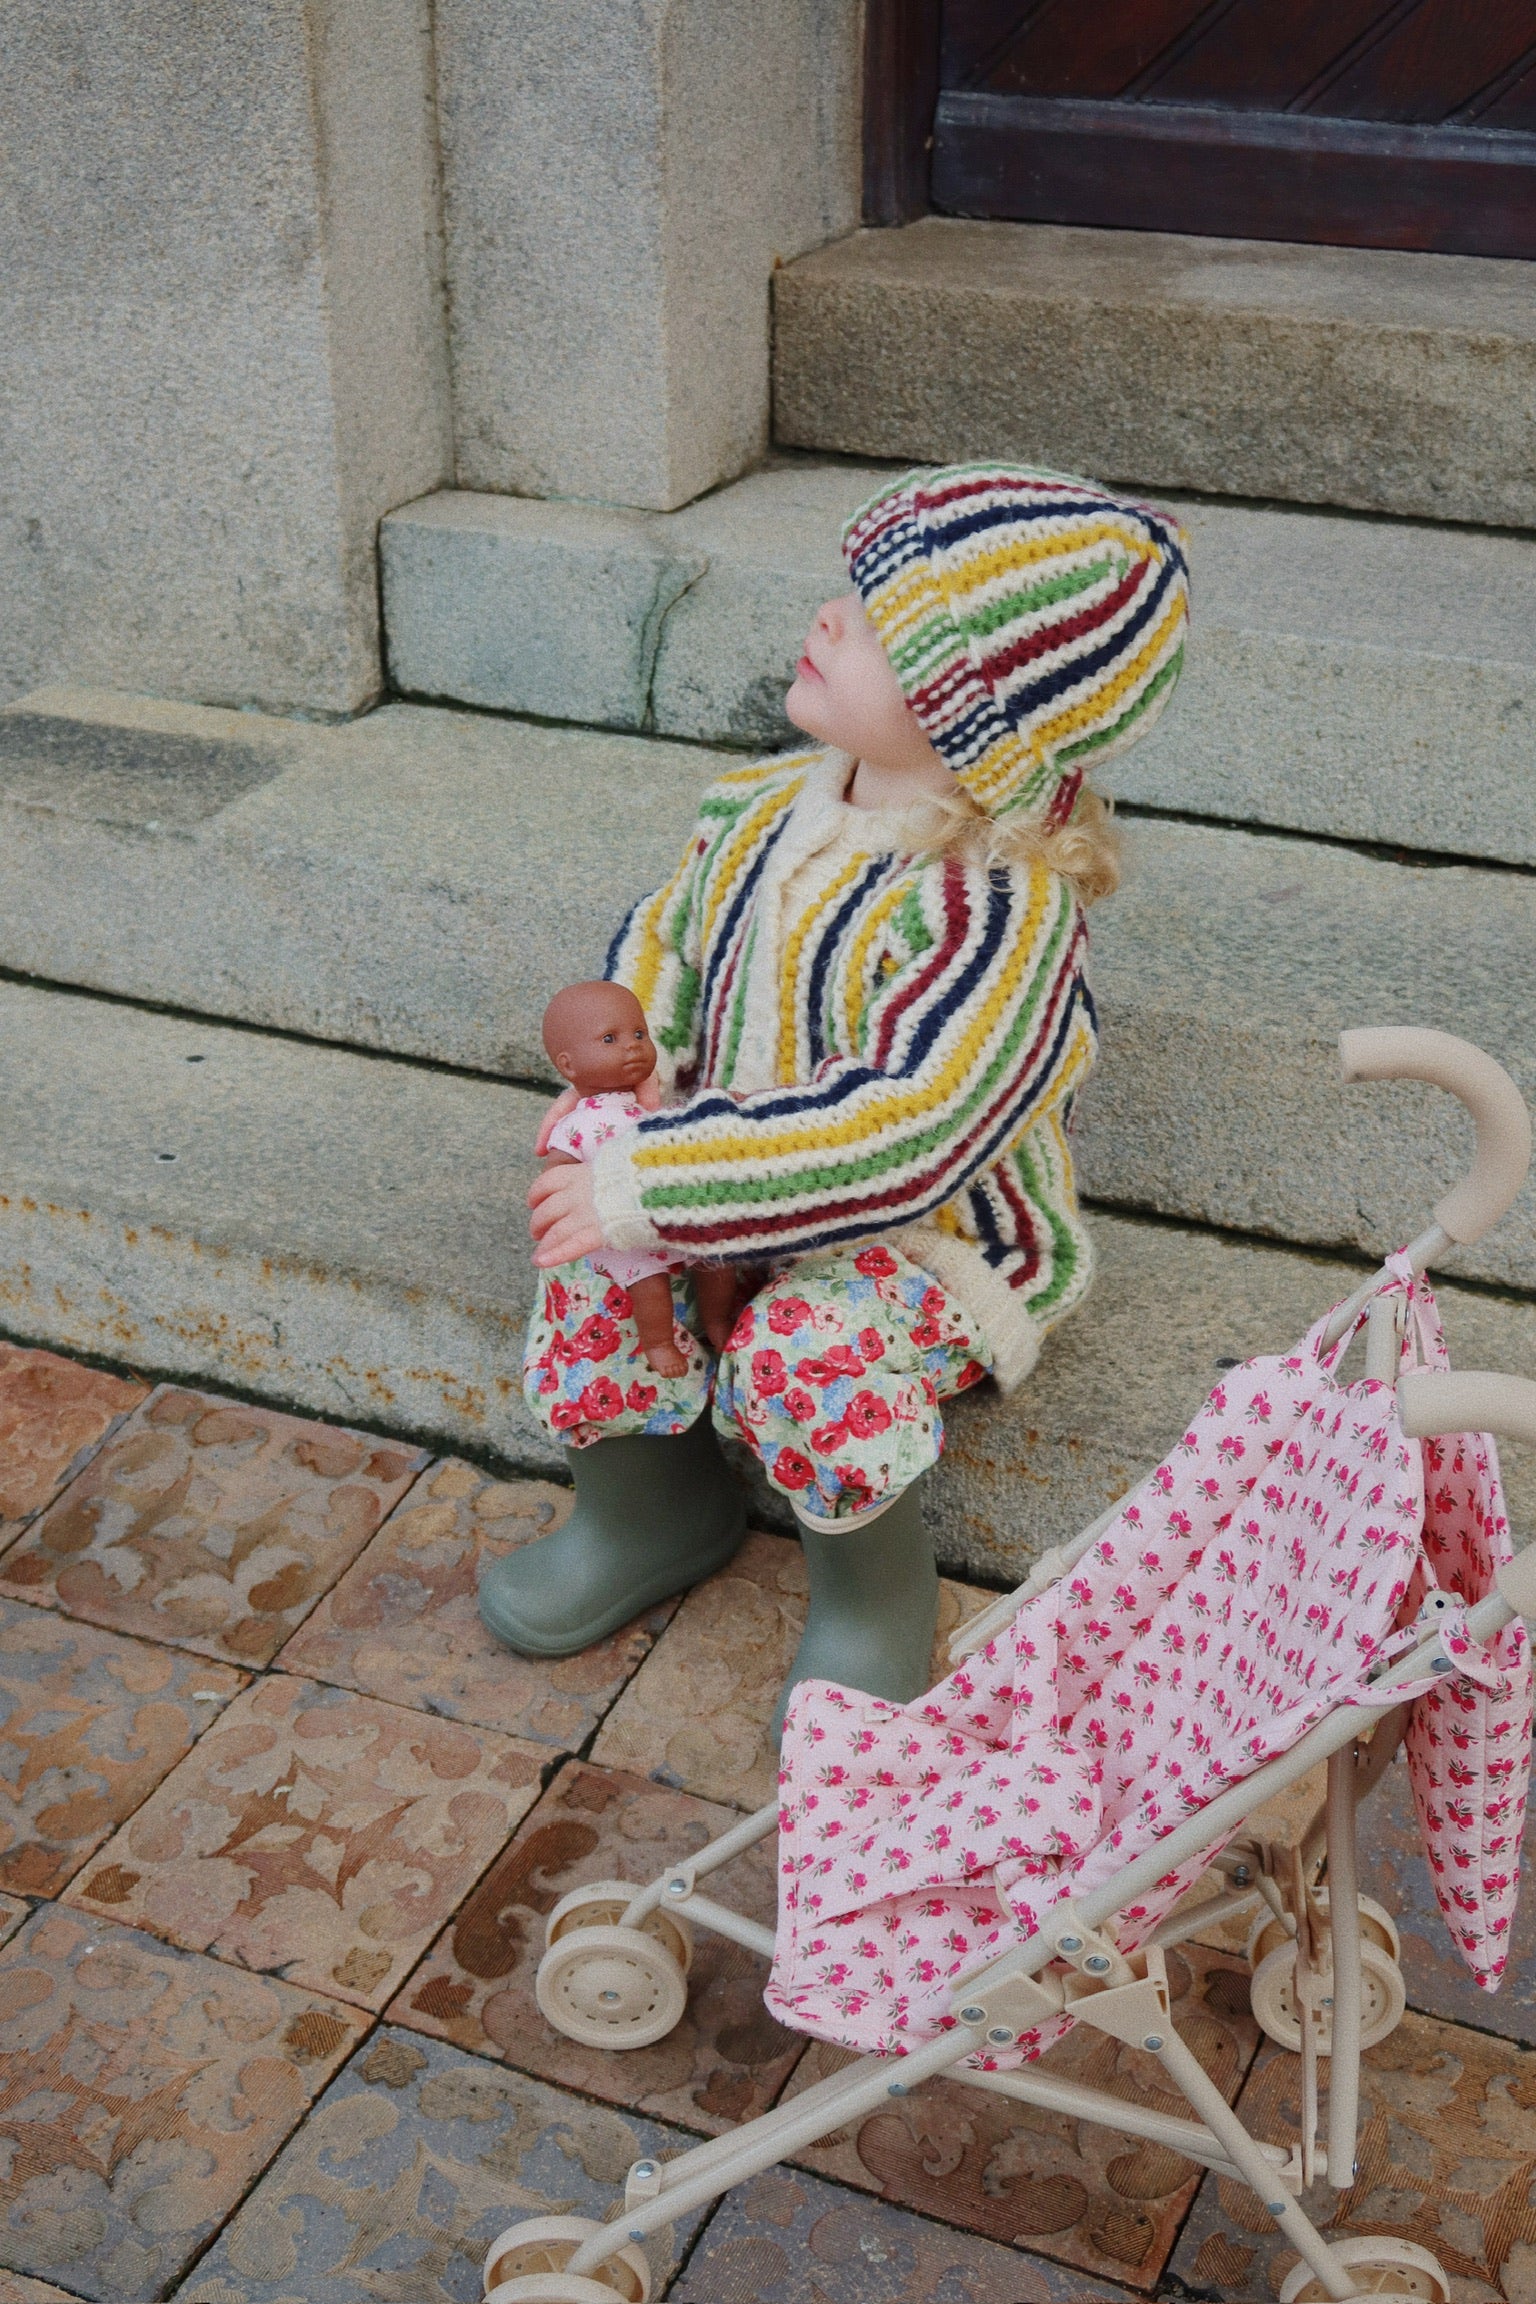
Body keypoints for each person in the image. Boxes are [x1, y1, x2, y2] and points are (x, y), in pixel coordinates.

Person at [481, 462, 1189, 1726]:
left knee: (811, 1345)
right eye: (847, 594)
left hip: (920, 1243)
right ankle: (649, 1508)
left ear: (978, 718)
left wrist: (663, 1180)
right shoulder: (758, 807)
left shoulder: (997, 911)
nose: (827, 618)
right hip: (729, 1190)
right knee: (587, 1242)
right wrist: (633, 1072)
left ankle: (874, 1600)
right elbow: (669, 937)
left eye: (875, 626)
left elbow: (910, 1130)